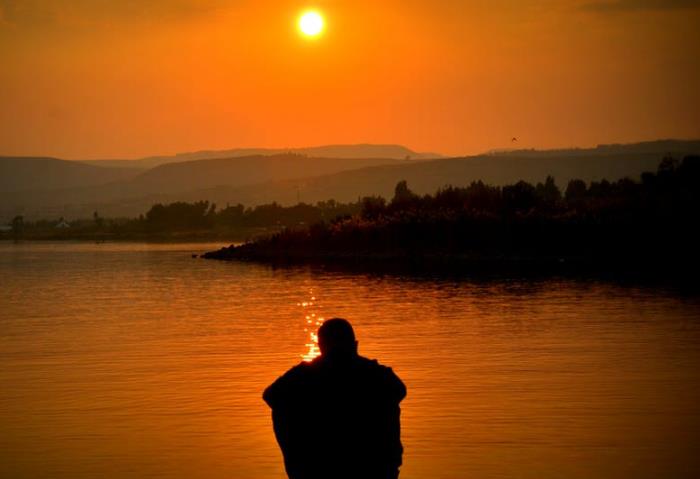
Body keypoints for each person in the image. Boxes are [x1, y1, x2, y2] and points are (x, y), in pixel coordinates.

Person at [263, 318, 407, 479]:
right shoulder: (376, 373)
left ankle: (304, 465)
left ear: (321, 347)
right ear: (355, 345)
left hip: (331, 464)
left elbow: (271, 395)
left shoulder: (305, 374)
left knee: (282, 408)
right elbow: (399, 391)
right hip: (372, 465)